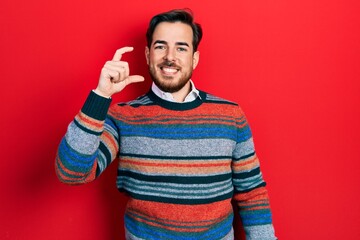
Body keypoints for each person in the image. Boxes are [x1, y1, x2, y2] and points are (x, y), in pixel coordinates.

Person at [55, 9, 277, 240]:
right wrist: (101, 95)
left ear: (194, 58)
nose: (170, 56)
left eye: (181, 48)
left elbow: (252, 193)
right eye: (160, 46)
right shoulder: (123, 116)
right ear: (148, 54)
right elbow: (71, 173)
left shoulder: (230, 115)